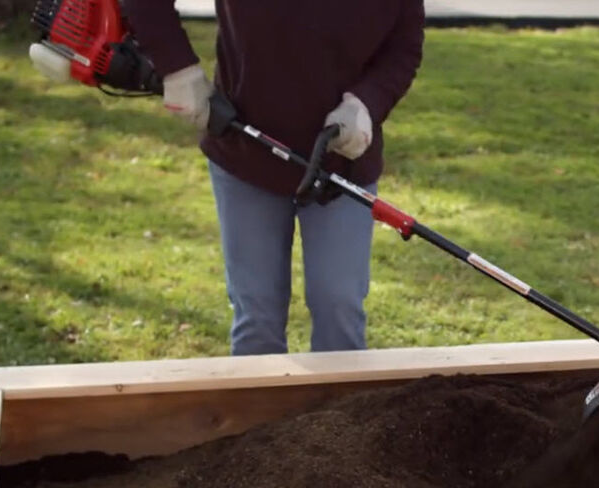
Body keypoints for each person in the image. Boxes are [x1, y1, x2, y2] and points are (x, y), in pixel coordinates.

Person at [124, 1, 425, 355]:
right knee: (258, 318)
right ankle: (259, 412)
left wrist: (365, 104)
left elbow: (403, 48)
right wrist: (177, 68)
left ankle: (342, 409)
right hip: (245, 151)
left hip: (340, 164)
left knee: (338, 306)